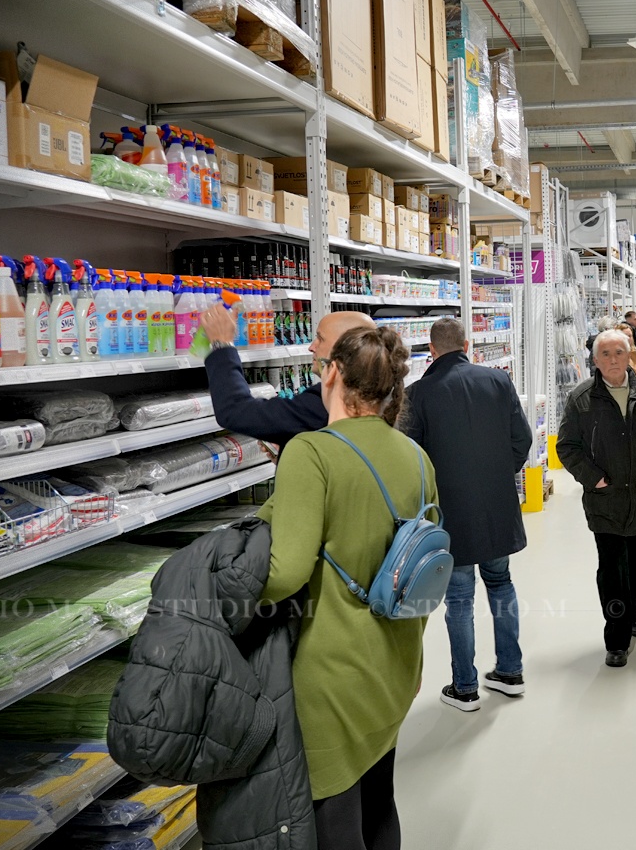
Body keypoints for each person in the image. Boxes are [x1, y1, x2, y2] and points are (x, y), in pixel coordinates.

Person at [256, 326, 431, 850]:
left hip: (332, 675)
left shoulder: (310, 451)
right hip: (396, 662)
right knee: (379, 802)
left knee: (333, 819)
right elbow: (423, 568)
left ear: (332, 373)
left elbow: (284, 572)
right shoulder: (414, 455)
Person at [400, 317, 532, 713]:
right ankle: (510, 672)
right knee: (501, 583)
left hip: (450, 513)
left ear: (431, 350)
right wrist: (498, 475)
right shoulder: (498, 381)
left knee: (459, 598)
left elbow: (412, 461)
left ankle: (465, 687)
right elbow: (522, 439)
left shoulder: (417, 395)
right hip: (497, 506)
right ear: (467, 345)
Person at [556, 329, 636, 668]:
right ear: (595, 360)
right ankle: (616, 639)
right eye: (606, 354)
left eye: (619, 353)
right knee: (612, 571)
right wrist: (594, 478)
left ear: (629, 356)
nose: (613, 359)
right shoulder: (582, 399)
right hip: (605, 502)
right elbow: (567, 447)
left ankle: (634, 614)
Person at [200, 305, 376, 445]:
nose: (311, 347)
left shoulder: (326, 403)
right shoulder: (374, 395)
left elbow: (235, 412)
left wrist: (222, 344)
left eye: (320, 339)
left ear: (346, 348)